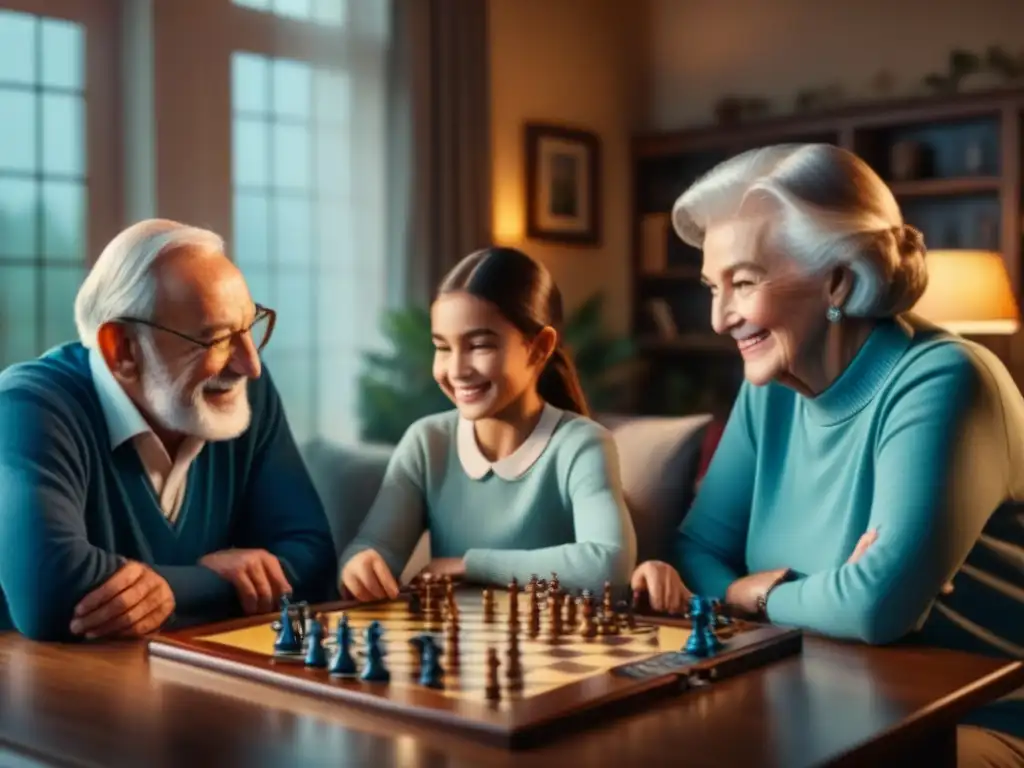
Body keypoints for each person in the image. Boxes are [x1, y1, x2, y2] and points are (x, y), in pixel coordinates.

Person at [629, 144, 1024, 766]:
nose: (718, 318)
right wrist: (816, 592)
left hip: (972, 723)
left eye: (744, 283)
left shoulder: (945, 380)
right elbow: (695, 550)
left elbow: (873, 606)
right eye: (712, 286)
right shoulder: (772, 391)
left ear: (837, 280)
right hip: (823, 701)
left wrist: (752, 597)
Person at [0, 219, 337, 642]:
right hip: (42, 690)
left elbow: (314, 561)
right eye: (215, 339)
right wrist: (208, 583)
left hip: (189, 678)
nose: (248, 364)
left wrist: (175, 592)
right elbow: (49, 595)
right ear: (122, 349)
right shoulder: (28, 405)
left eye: (249, 327)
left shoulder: (245, 390)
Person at [338, 247, 637, 599]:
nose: (457, 370)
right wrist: (358, 567)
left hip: (555, 650)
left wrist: (470, 564)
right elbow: (374, 547)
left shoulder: (581, 444)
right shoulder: (426, 442)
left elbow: (609, 564)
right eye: (443, 347)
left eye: (479, 346)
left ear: (539, 348)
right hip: (454, 650)